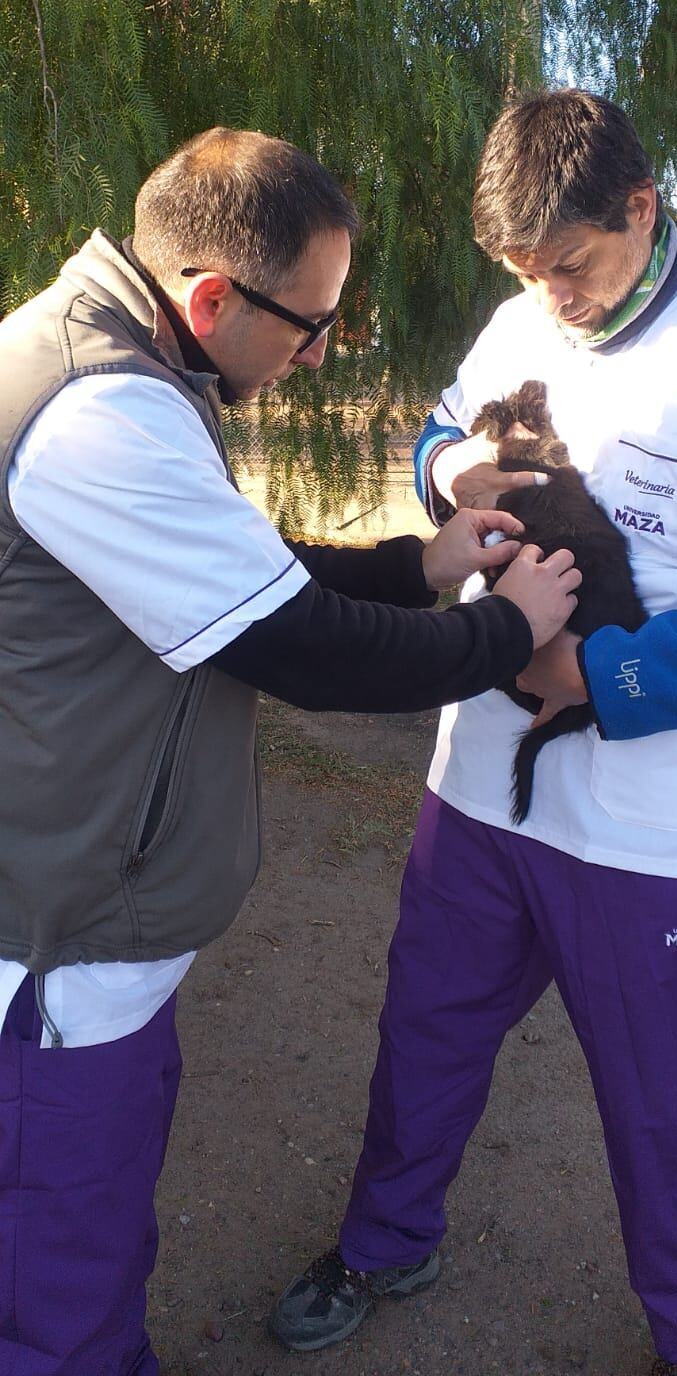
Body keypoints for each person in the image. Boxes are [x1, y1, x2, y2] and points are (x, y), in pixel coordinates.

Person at [0, 126, 583, 1376]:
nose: (319, 351)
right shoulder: (102, 415)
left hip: (77, 901)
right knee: (57, 1255)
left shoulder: (114, 356)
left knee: (83, 1218)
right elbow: (302, 650)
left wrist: (414, 566)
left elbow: (233, 572)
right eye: (307, 323)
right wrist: (502, 633)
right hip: (54, 935)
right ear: (212, 297)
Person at [269, 90, 677, 1376]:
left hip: (647, 818)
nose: (547, 297)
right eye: (524, 272)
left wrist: (598, 676)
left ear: (641, 212)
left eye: (569, 266)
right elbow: (446, 429)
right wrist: (452, 476)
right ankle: (386, 1243)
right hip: (482, 785)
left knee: (668, 1107)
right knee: (424, 1033)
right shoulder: (520, 316)